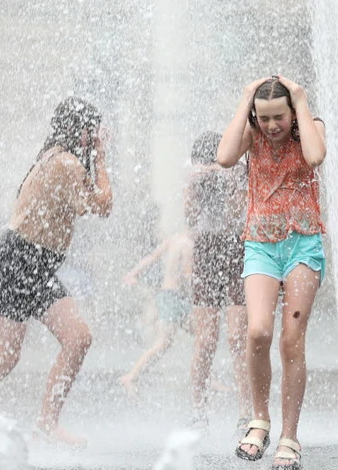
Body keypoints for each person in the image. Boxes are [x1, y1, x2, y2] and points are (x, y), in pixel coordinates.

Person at [0, 97, 113, 449]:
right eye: (91, 130)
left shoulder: (57, 158)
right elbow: (103, 205)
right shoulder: (64, 162)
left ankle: (47, 424)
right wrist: (102, 158)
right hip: (15, 260)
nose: (95, 136)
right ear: (77, 131)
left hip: (36, 264)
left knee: (78, 338)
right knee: (5, 356)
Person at [218, 76, 326, 469]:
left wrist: (300, 98)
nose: (271, 126)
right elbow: (225, 157)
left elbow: (315, 157)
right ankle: (259, 419)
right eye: (263, 118)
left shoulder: (310, 128)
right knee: (258, 331)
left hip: (303, 242)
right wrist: (245, 97)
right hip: (261, 243)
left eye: (278, 117)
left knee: (291, 340)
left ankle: (290, 436)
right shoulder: (251, 134)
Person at [185, 131, 252, 432]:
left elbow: (238, 210)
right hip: (206, 251)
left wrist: (228, 177)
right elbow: (189, 218)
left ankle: (246, 411)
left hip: (236, 246)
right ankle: (198, 410)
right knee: (207, 339)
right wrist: (195, 181)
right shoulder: (194, 178)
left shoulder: (237, 171)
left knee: (238, 337)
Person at [118, 230, 193, 396]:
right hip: (176, 298)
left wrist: (133, 273)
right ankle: (131, 376)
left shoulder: (173, 237)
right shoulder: (188, 245)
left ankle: (206, 379)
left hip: (166, 295)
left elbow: (152, 257)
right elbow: (188, 276)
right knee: (163, 342)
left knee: (203, 336)